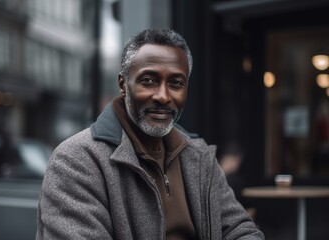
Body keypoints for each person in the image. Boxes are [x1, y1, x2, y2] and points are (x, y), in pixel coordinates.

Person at [36, 28, 264, 239]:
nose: (163, 96)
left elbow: (240, 230)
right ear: (123, 84)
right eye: (148, 80)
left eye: (176, 83)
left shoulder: (199, 156)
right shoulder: (76, 160)